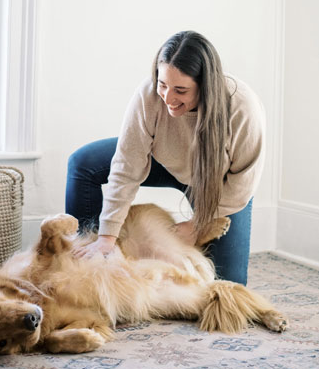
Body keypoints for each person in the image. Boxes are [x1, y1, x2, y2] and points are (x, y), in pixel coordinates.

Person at [65, 30, 265, 285]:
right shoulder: (148, 95)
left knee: (229, 285)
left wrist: (197, 225)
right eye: (163, 84)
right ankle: (84, 254)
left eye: (180, 90)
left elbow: (243, 180)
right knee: (83, 163)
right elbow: (127, 166)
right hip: (162, 160)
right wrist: (106, 238)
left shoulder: (240, 106)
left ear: (205, 87)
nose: (168, 98)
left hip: (218, 183)